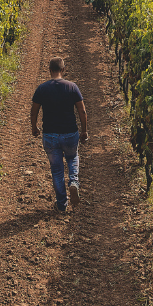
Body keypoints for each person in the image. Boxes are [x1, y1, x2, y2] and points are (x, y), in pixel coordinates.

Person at [30, 57, 88, 213]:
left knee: (56, 170)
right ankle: (74, 182)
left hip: (50, 135)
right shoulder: (72, 87)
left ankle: (62, 204)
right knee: (73, 157)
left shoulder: (42, 89)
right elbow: (82, 111)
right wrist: (84, 130)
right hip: (70, 133)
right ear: (63, 70)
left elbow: (34, 110)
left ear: (49, 70)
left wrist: (34, 127)